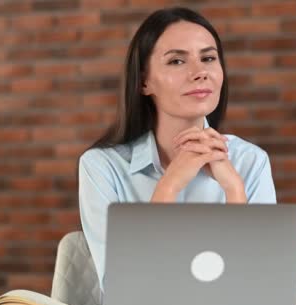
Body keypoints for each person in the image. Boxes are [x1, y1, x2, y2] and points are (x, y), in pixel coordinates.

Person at [78, 7, 276, 289]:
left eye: (208, 58)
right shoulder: (102, 166)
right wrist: (168, 187)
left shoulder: (250, 161)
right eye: (176, 62)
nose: (200, 73)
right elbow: (123, 288)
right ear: (144, 81)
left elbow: (258, 286)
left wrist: (234, 190)